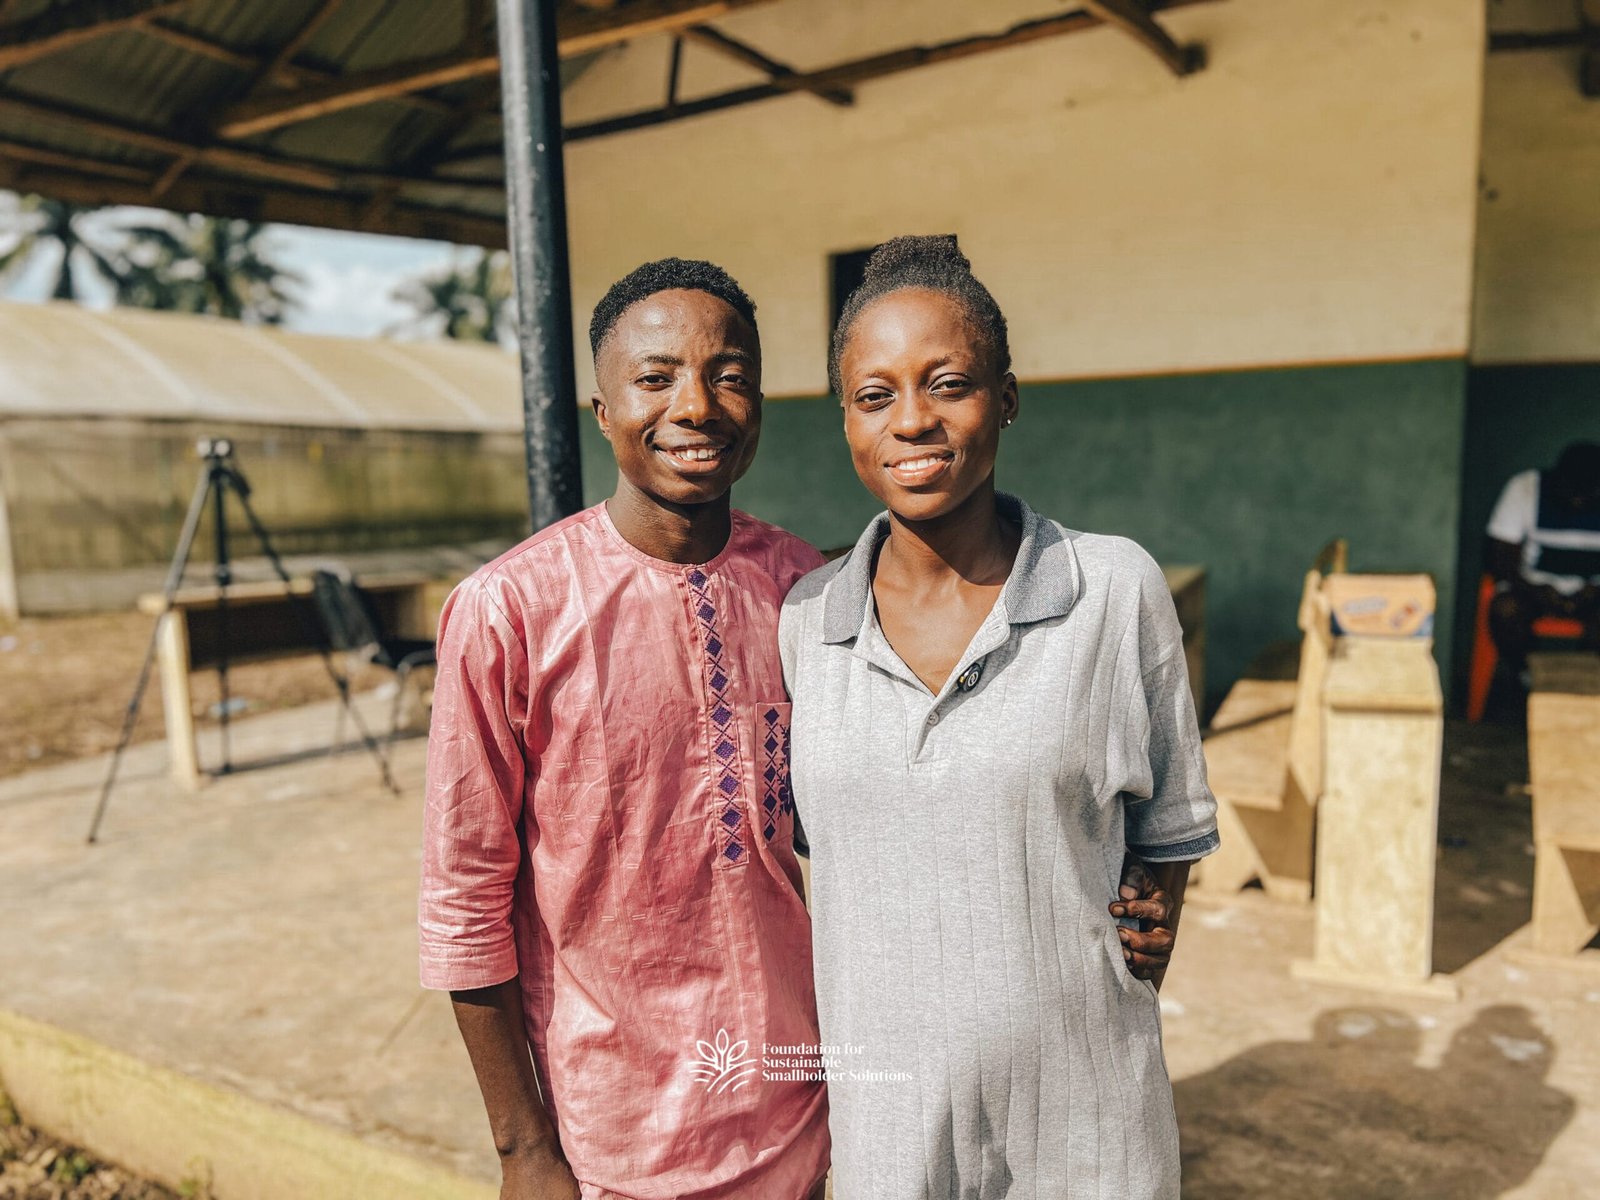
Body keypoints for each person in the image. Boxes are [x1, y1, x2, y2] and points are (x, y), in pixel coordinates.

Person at [779, 235, 1217, 1199]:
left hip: (1083, 1120)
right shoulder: (809, 621)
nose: (913, 421)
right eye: (875, 396)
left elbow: (1173, 825)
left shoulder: (1112, 590)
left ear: (1007, 398)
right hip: (891, 1131)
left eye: (949, 384)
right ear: (845, 418)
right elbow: (840, 851)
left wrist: (1147, 916)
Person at [418, 259, 830, 1200]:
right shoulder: (508, 611)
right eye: (656, 377)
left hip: (794, 1111)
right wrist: (524, 1150)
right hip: (616, 1137)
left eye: (729, 375)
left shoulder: (802, 588)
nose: (697, 405)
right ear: (604, 412)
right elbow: (464, 897)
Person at [1485, 440, 1600, 677]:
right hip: (1531, 588)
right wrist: (1536, 590)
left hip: (1594, 594)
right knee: (1506, 610)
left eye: (1587, 491)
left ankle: (1585, 681)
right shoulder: (1526, 488)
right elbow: (1499, 559)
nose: (1577, 500)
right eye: (1572, 489)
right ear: (1557, 478)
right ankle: (1527, 678)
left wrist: (1593, 592)